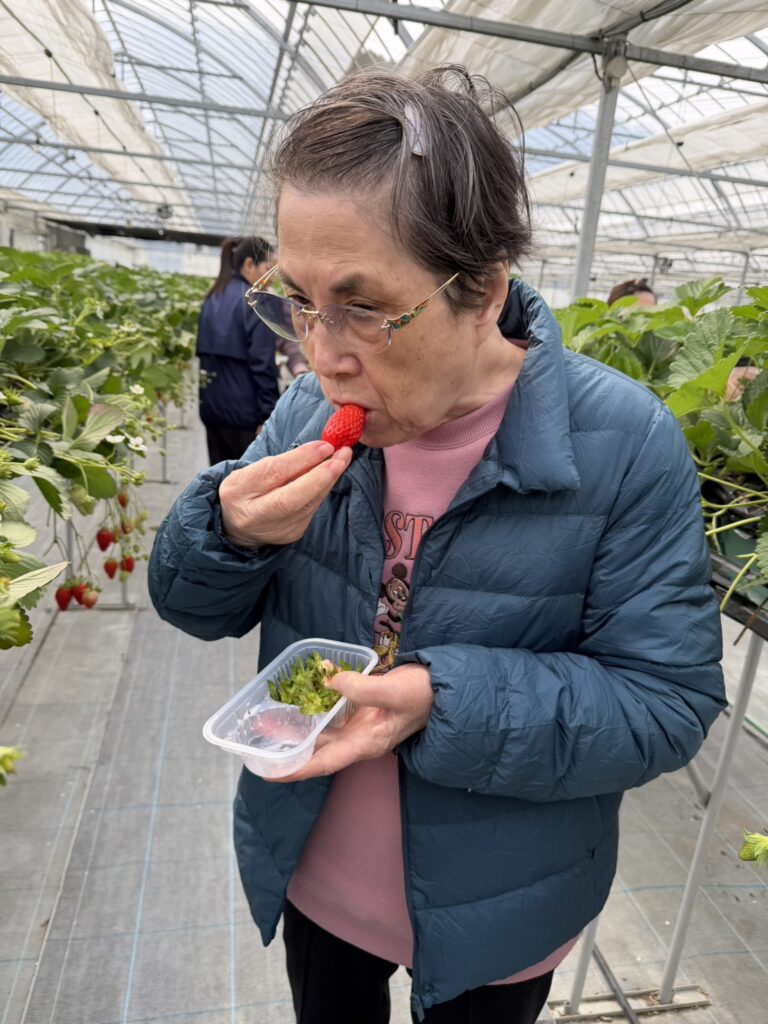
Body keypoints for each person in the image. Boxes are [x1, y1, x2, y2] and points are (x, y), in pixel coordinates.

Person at [150, 66, 725, 1024]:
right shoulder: (306, 410)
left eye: (364, 307)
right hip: (315, 875)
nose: (322, 353)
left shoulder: (623, 443)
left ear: (484, 288)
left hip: (501, 912)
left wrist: (438, 701)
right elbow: (192, 606)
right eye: (299, 300)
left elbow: (667, 704)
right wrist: (225, 531)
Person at [196, 236, 309, 464]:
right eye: (268, 269)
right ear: (249, 265)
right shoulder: (254, 303)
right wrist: (267, 417)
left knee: (220, 477)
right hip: (244, 415)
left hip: (211, 410)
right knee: (248, 479)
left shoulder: (212, 297)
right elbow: (262, 364)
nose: (271, 279)